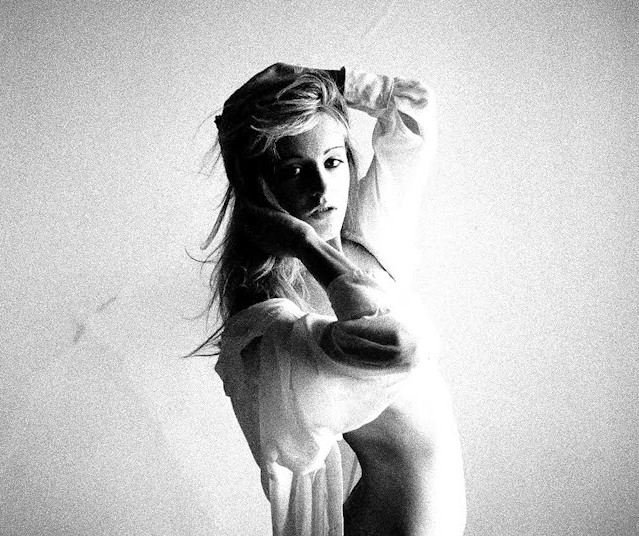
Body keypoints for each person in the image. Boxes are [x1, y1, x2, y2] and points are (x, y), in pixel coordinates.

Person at [196, 62, 466, 535]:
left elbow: (412, 110)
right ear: (260, 188)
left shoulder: (370, 242)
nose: (322, 188)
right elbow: (398, 345)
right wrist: (304, 245)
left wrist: (321, 81)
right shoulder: (271, 315)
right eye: (293, 170)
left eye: (333, 161)